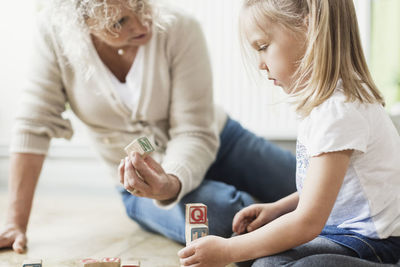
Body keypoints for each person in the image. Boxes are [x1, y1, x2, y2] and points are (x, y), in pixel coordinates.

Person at [0, 0, 296, 253]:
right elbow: (33, 126)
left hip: (222, 142)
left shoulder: (180, 28)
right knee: (224, 217)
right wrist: (15, 222)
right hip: (142, 186)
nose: (142, 25)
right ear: (81, 22)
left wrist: (171, 180)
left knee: (314, 185)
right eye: (120, 21)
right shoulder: (53, 36)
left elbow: (193, 131)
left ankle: (282, 213)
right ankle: (277, 217)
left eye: (142, 5)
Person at [178, 0, 400, 266]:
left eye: (263, 47)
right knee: (258, 254)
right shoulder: (323, 104)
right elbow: (328, 188)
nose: (260, 64)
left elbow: (307, 223)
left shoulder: (340, 111)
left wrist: (228, 250)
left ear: (310, 27)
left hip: (376, 245)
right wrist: (278, 209)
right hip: (340, 234)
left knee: (266, 260)